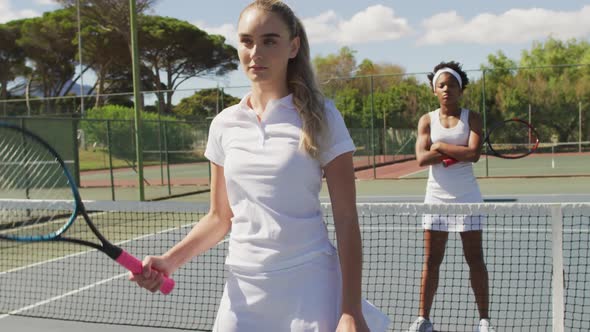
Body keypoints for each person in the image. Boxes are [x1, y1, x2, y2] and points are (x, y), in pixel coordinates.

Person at [129, 1, 390, 331]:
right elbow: (219, 217)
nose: (256, 52)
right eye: (247, 41)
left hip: (309, 285)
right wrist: (169, 261)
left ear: (293, 46)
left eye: (269, 40)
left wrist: (351, 310)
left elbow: (347, 218)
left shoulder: (323, 117)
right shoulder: (225, 124)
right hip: (243, 290)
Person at [408, 61, 495, 332]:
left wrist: (441, 145)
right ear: (434, 90)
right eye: (441, 85)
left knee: (475, 260)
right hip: (435, 198)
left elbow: (473, 155)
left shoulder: (473, 118)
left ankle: (484, 321)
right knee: (431, 262)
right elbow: (422, 158)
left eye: (452, 85)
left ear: (461, 89)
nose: (447, 89)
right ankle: (423, 319)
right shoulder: (427, 119)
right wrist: (455, 150)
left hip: (468, 198)